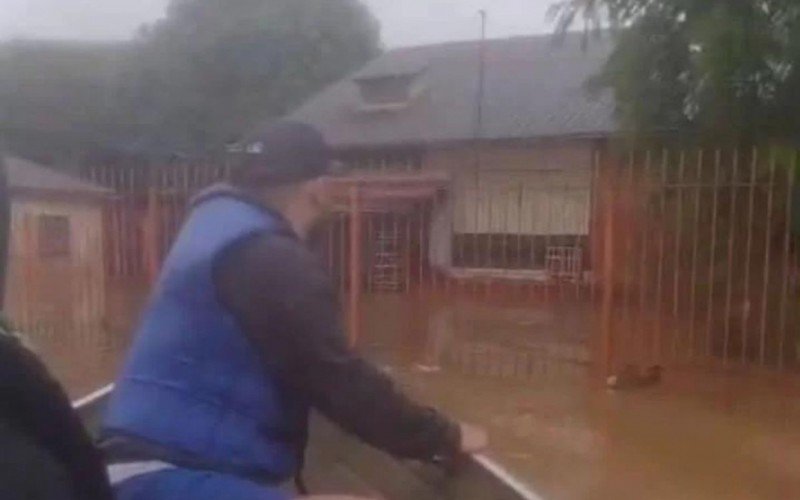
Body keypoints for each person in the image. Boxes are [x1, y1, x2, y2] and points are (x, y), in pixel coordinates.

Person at [101, 121, 487, 500]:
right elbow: (339, 378)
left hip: (145, 466)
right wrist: (445, 436)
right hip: (159, 479)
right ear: (320, 190)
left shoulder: (214, 228)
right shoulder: (269, 257)